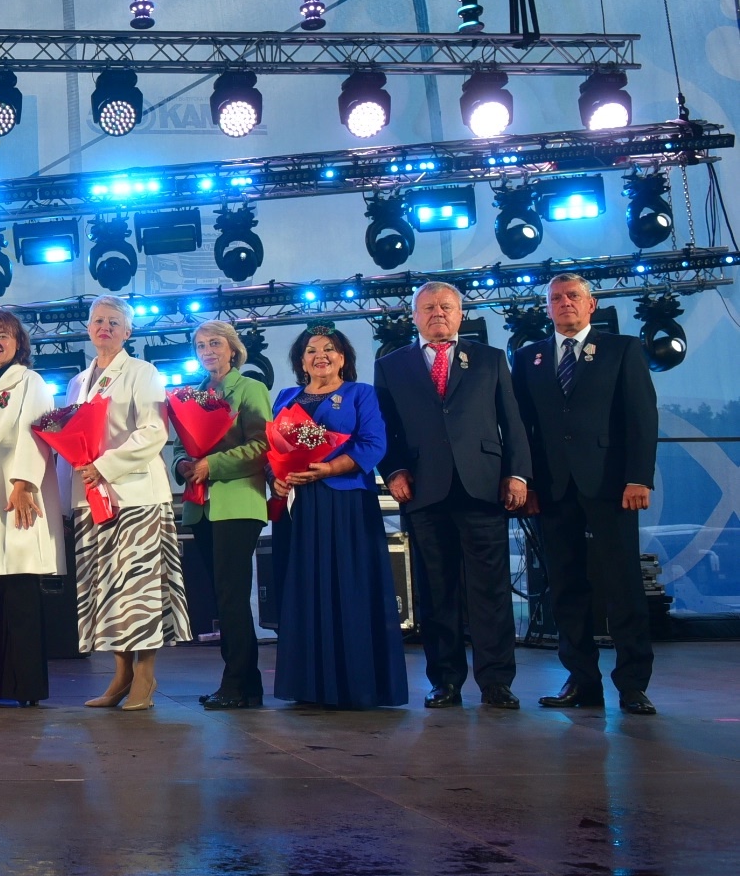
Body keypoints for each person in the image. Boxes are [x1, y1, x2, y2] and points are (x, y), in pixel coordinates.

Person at [373, 282, 531, 711]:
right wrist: (394, 471)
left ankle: (497, 681)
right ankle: (444, 680)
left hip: (483, 487)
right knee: (435, 590)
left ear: (461, 314)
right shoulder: (391, 365)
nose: (437, 313)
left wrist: (518, 475)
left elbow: (513, 422)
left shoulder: (490, 359)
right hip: (424, 489)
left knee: (490, 591)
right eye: (428, 307)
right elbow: (385, 429)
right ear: (414, 316)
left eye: (446, 306)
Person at [512, 273, 659, 715]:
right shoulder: (529, 357)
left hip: (611, 485)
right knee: (565, 586)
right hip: (552, 488)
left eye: (573, 296)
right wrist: (526, 482)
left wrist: (639, 477)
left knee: (622, 583)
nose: (565, 303)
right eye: (556, 298)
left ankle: (632, 685)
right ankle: (582, 681)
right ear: (547, 308)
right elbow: (521, 428)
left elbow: (641, 417)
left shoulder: (622, 349)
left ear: (591, 304)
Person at [270, 324, 406, 710]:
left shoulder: (361, 394)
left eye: (329, 349)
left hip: (347, 505)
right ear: (301, 362)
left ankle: (356, 685)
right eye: (311, 350)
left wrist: (329, 469)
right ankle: (310, 686)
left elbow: (374, 444)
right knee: (305, 590)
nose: (321, 356)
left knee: (351, 587)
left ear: (343, 358)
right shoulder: (285, 398)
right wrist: (274, 478)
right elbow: (273, 447)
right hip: (300, 507)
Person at [66, 295, 189, 712]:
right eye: (98, 321)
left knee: (139, 588)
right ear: (88, 328)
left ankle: (145, 675)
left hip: (135, 495)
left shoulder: (142, 372)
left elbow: (154, 431)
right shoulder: (77, 383)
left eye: (114, 322)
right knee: (106, 588)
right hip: (91, 499)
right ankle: (120, 675)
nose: (105, 328)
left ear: (128, 331)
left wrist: (104, 466)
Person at [0, 309, 66, 707]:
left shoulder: (30, 382)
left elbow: (36, 433)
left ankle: (28, 688)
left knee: (21, 593)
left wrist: (23, 482)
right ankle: (0, 686)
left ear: (19, 343)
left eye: (3, 336)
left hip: (18, 496)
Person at [173, 320, 271, 711]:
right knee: (222, 599)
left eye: (215, 343)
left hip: (238, 503)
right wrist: (183, 465)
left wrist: (211, 465)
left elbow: (262, 445)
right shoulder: (193, 394)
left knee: (231, 597)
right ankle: (248, 686)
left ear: (233, 349)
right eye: (200, 345)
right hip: (201, 506)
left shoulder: (250, 388)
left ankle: (235, 684)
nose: (208, 351)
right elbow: (179, 447)